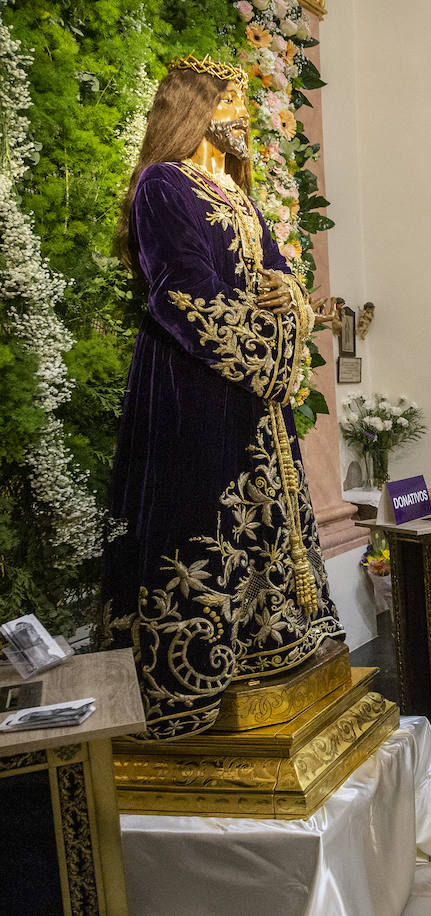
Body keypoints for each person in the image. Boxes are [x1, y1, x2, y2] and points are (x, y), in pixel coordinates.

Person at [102, 58, 343, 740]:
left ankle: (268, 647)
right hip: (194, 387)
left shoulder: (233, 192)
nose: (241, 117)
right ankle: (198, 674)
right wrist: (267, 354)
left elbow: (284, 276)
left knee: (264, 522)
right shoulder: (161, 187)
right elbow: (183, 295)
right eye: (231, 103)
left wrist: (289, 302)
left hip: (249, 395)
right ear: (196, 109)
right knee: (203, 515)